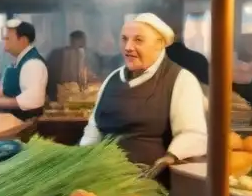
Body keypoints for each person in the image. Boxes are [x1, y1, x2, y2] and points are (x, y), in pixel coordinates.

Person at [81, 13, 207, 176]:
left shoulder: (180, 79)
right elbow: (94, 127)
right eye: (124, 39)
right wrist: (83, 158)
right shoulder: (112, 79)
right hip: (103, 176)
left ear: (159, 44)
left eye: (138, 40)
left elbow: (192, 133)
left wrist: (169, 157)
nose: (128, 47)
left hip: (149, 181)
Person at [0, 20, 48, 120]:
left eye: (8, 39)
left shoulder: (33, 64)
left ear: (23, 40)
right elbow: (17, 90)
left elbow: (33, 101)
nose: (5, 43)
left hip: (22, 123)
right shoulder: (22, 61)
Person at [45, 30, 100, 101]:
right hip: (62, 96)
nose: (78, 48)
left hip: (86, 96)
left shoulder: (92, 55)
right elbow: (50, 76)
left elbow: (97, 75)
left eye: (81, 44)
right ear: (71, 41)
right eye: (76, 42)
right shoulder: (57, 55)